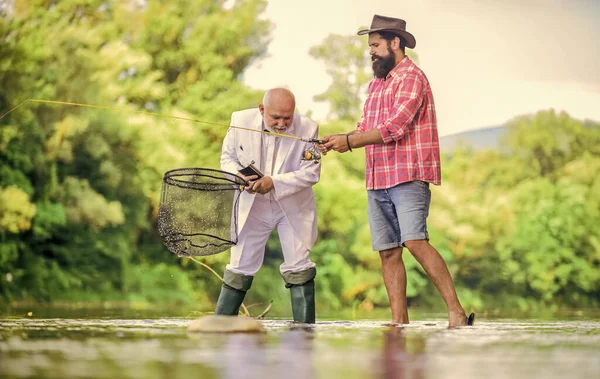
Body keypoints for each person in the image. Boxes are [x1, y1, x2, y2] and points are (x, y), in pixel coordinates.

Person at [320, 15, 474, 327]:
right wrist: (336, 140)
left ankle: (456, 313)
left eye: (375, 45)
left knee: (415, 241)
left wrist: (349, 141)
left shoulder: (412, 78)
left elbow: (395, 128)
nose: (371, 52)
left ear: (395, 43)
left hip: (407, 176)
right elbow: (366, 129)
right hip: (377, 179)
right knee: (388, 252)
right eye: (369, 47)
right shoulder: (376, 85)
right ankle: (398, 323)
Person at [215, 88, 321, 323]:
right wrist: (240, 177)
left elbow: (311, 173)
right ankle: (219, 328)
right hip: (252, 205)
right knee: (239, 264)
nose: (282, 123)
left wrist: (274, 182)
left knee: (299, 266)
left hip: (293, 205)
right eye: (276, 117)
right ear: (261, 109)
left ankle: (304, 334)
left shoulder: (310, 128)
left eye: (287, 117)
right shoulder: (239, 120)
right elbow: (227, 158)